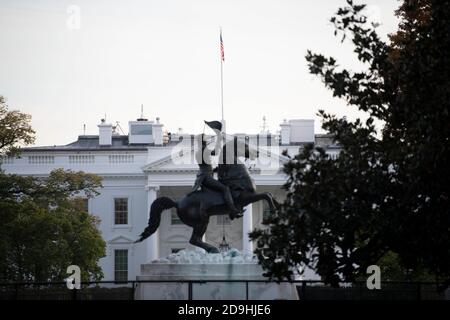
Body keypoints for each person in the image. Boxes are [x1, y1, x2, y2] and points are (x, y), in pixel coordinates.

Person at [192, 124, 241, 220]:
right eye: (205, 140)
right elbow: (216, 152)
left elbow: (205, 166)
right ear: (202, 142)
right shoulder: (203, 151)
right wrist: (219, 139)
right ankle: (233, 210)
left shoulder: (200, 152)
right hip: (206, 178)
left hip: (205, 175)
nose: (207, 141)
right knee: (225, 189)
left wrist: (215, 169)